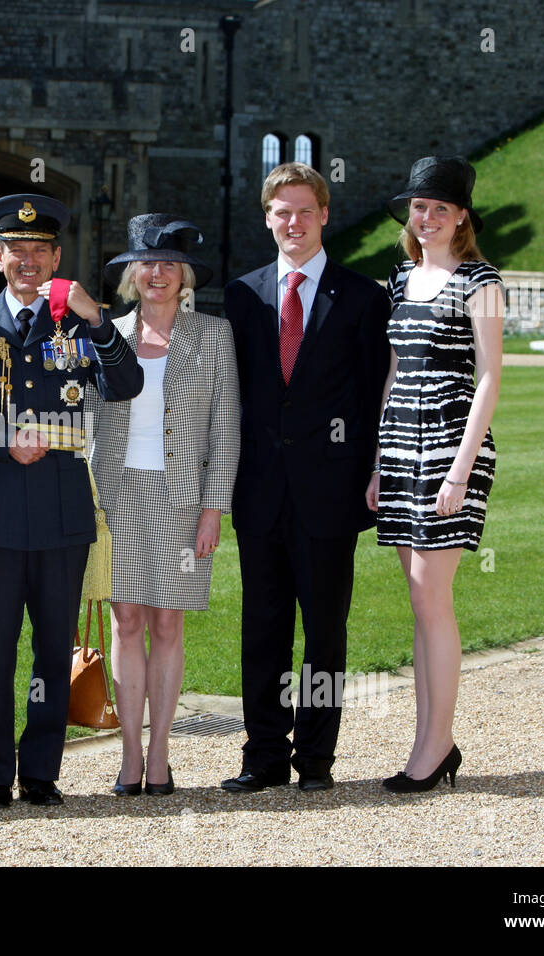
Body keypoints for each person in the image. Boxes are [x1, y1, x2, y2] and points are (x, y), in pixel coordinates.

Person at [0, 193, 143, 809]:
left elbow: (125, 383)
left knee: (53, 648)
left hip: (61, 511)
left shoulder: (77, 320)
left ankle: (42, 771)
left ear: (57, 256)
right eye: (16, 250)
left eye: (40, 250)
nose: (28, 260)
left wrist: (98, 319)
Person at [221, 163, 391, 794]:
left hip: (330, 491)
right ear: (267, 218)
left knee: (324, 632)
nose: (293, 223)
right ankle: (262, 755)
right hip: (259, 490)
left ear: (325, 214)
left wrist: (375, 469)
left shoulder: (363, 297)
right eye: (281, 212)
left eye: (304, 211)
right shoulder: (243, 294)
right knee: (261, 630)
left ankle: (316, 758)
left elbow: (377, 392)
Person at [86, 214, 239, 796]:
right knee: (126, 622)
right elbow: (84, 418)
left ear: (185, 277)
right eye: (147, 262)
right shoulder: (106, 335)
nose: (158, 272)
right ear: (131, 273)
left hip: (182, 499)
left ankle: (160, 756)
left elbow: (226, 428)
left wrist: (213, 509)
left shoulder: (214, 336)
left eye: (169, 263)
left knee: (168, 624)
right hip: (119, 495)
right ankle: (129, 754)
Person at [368, 156, 503, 793]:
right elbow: (393, 373)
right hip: (398, 446)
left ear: (461, 218)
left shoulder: (482, 281)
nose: (427, 219)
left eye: (440, 209)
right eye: (420, 208)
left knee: (431, 597)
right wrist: (376, 461)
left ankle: (436, 744)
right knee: (419, 604)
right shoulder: (399, 279)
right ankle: (430, 742)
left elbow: (490, 377)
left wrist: (460, 468)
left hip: (452, 445)